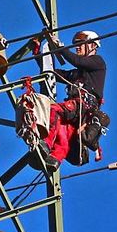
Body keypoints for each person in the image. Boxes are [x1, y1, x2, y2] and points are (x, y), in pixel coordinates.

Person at [40, 29, 109, 166]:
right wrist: (39, 54)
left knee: (53, 110)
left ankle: (45, 144)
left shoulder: (97, 62)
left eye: (81, 44)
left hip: (83, 106)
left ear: (92, 45)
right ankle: (54, 159)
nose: (77, 47)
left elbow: (77, 61)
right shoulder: (78, 73)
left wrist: (61, 48)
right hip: (78, 111)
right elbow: (52, 72)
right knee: (63, 132)